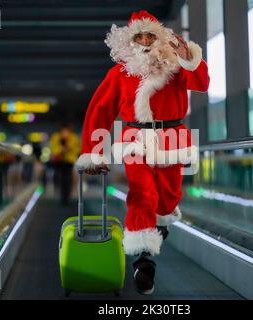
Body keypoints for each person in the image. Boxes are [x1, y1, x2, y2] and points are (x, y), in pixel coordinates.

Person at [75, 10, 209, 294]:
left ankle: (158, 228)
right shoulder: (120, 72)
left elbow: (202, 84)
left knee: (169, 198)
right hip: (135, 140)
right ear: (130, 40)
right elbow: (100, 111)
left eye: (150, 34)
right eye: (139, 35)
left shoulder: (176, 66)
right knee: (142, 193)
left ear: (160, 37)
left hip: (173, 139)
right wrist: (94, 152)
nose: (146, 40)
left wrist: (189, 57)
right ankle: (143, 258)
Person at [50, 123, 80, 205]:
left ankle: (67, 197)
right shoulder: (55, 137)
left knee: (68, 179)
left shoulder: (74, 138)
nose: (65, 132)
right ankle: (61, 196)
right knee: (60, 178)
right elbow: (53, 149)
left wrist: (68, 148)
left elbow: (77, 149)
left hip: (69, 162)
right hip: (58, 162)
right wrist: (61, 150)